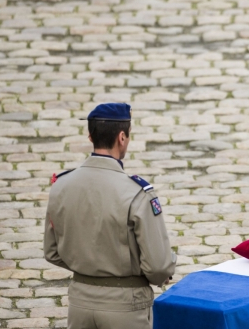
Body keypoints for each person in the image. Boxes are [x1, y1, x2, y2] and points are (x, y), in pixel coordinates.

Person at [44, 103, 176, 329]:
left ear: (90, 136)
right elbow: (158, 267)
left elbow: (52, 252)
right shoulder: (137, 193)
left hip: (80, 303)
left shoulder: (60, 186)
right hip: (126, 305)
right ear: (122, 137)